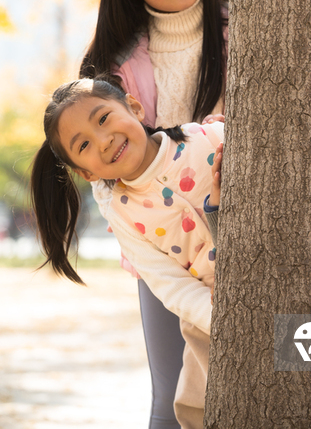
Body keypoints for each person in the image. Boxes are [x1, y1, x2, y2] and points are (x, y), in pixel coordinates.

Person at [79, 0, 228, 429]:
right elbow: (103, 167)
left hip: (247, 226)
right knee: (174, 395)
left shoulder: (243, 29)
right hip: (166, 242)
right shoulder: (114, 63)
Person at [30, 77, 224, 429]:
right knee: (197, 406)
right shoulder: (123, 212)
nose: (104, 141)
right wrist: (218, 317)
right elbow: (165, 281)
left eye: (103, 119)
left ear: (134, 107)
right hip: (208, 307)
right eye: (84, 144)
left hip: (273, 273)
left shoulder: (206, 138)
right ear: (85, 172)